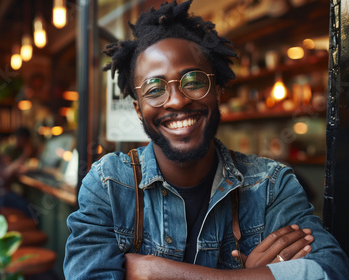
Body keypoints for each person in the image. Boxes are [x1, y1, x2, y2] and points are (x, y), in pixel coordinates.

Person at [63, 1, 349, 279]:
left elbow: (330, 269)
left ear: (217, 91)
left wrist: (153, 271)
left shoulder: (271, 185)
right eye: (154, 89)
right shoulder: (108, 184)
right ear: (139, 109)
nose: (177, 100)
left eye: (194, 81)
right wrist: (255, 276)